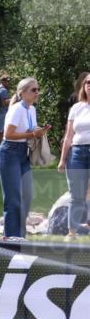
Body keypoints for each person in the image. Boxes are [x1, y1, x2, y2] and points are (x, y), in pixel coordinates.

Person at [1, 77, 49, 240]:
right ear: (22, 93)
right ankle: (11, 236)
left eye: (38, 89)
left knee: (27, 195)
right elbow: (8, 134)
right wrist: (31, 134)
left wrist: (40, 131)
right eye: (33, 90)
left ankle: (19, 235)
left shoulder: (31, 109)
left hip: (23, 153)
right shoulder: (17, 109)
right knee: (13, 197)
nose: (37, 93)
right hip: (10, 153)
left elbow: (30, 130)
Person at [58, 73, 90, 240]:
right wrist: (63, 159)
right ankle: (72, 232)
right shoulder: (76, 108)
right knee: (76, 194)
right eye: (87, 82)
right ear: (84, 86)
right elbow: (69, 135)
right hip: (77, 153)